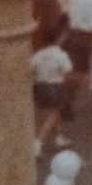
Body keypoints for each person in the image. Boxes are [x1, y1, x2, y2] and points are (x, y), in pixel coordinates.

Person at [31, 21, 75, 156]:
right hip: (55, 86)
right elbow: (68, 72)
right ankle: (38, 143)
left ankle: (58, 138)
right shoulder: (61, 55)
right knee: (53, 115)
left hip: (40, 86)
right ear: (59, 38)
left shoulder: (38, 55)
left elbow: (31, 69)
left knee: (51, 113)